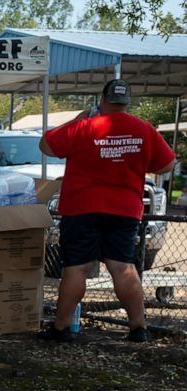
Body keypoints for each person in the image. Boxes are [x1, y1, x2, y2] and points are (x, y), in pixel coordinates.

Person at [38, 79, 175, 342]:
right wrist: (137, 163)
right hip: (124, 210)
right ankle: (138, 328)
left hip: (81, 207)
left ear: (102, 100)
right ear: (127, 103)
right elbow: (167, 165)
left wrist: (79, 118)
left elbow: (46, 146)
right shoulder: (143, 129)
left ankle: (61, 328)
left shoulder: (84, 127)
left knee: (76, 268)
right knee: (123, 267)